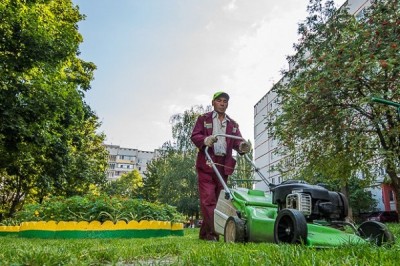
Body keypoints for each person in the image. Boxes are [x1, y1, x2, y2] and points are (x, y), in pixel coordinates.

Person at [191, 91, 250, 241]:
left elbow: (237, 141)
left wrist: (242, 146)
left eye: (225, 101)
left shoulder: (233, 124)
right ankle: (213, 234)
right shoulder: (203, 119)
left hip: (224, 165)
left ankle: (205, 234)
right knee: (208, 200)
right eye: (219, 101)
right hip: (207, 161)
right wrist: (205, 140)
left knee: (217, 202)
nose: (222, 103)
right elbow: (195, 136)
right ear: (213, 103)